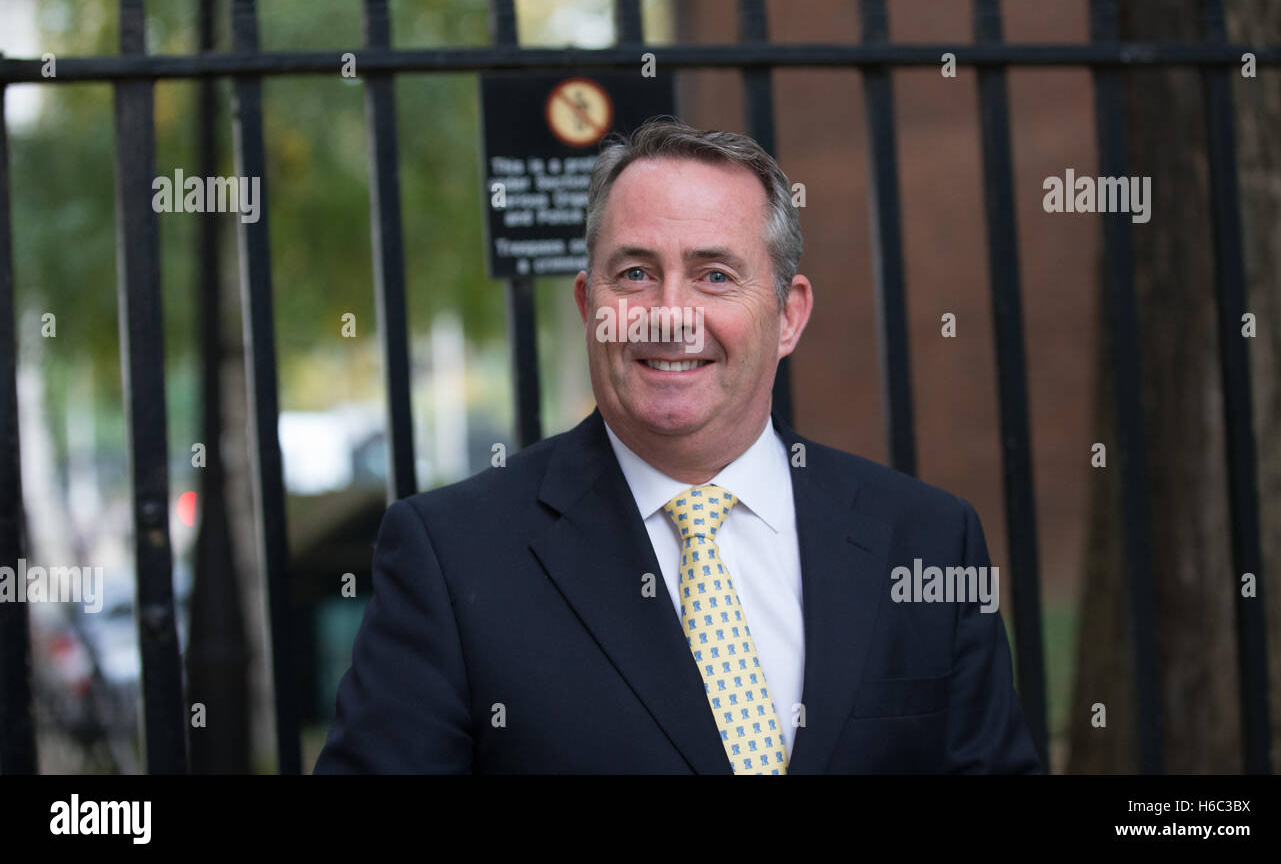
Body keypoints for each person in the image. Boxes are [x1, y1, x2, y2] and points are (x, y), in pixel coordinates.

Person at [314, 117, 1042, 775]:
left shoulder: (926, 541)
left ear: (788, 317)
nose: (669, 317)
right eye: (634, 275)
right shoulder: (451, 555)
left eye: (714, 276)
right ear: (587, 306)